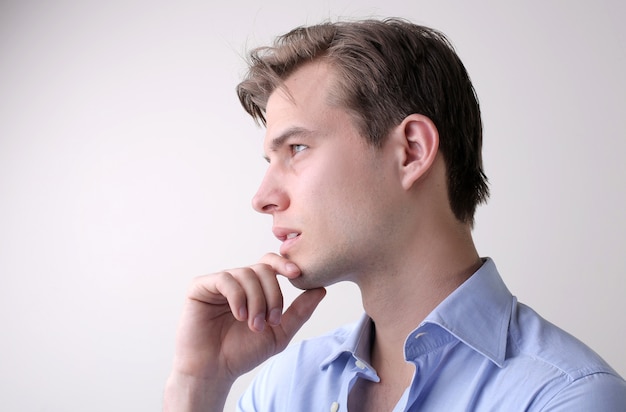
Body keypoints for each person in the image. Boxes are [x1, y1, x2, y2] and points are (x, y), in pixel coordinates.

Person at [163, 18, 626, 411]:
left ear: (411, 151)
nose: (262, 197)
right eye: (270, 161)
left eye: (297, 148)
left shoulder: (567, 398)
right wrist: (198, 384)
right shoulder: (285, 387)